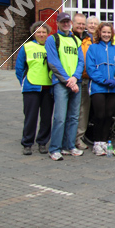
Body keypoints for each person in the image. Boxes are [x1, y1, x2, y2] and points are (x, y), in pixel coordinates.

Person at [45, 12, 85, 161]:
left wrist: (75, 77)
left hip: (75, 82)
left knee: (74, 117)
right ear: (58, 23)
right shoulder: (52, 39)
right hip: (61, 83)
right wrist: (68, 80)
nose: (66, 24)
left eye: (68, 22)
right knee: (60, 117)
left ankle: (69, 146)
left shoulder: (75, 40)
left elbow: (81, 61)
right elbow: (53, 62)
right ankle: (55, 148)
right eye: (63, 22)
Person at [86, 22, 115, 156]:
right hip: (98, 87)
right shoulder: (93, 48)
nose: (106, 35)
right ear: (99, 33)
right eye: (104, 32)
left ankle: (105, 141)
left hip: (113, 88)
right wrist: (103, 80)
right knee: (99, 115)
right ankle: (97, 142)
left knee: (109, 115)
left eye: (109, 32)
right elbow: (90, 68)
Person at [15, 21, 54, 155]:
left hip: (48, 87)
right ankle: (27, 143)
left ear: (48, 34)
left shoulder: (51, 46)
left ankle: (42, 142)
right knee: (30, 117)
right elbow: (19, 68)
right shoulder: (27, 47)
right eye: (38, 32)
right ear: (34, 33)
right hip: (31, 87)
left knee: (46, 117)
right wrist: (24, 82)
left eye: (44, 32)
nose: (41, 34)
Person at [75, 16, 100, 150]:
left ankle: (81, 136)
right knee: (77, 110)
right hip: (79, 78)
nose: (92, 25)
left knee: (86, 110)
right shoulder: (82, 39)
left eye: (95, 24)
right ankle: (74, 137)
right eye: (89, 23)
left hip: (93, 79)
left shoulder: (97, 40)